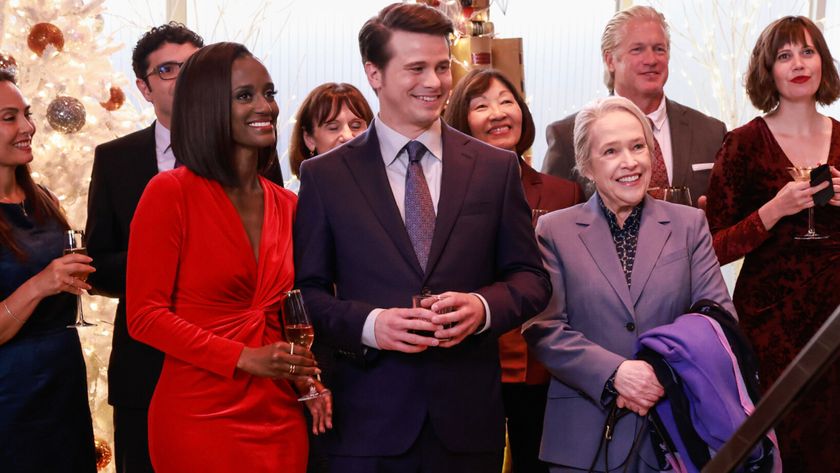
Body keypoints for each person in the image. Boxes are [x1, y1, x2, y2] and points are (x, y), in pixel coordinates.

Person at [293, 3, 551, 472]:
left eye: (440, 67)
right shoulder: (325, 177)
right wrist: (372, 325)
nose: (434, 82)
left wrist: (483, 308)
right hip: (366, 425)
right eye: (416, 68)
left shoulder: (493, 169)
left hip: (468, 424)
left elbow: (531, 279)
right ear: (374, 73)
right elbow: (305, 295)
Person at [85, 23, 284, 473]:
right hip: (170, 383)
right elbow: (109, 277)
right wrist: (174, 260)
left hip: (269, 396)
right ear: (146, 86)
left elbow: (283, 293)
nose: (264, 106)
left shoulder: (275, 187)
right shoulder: (141, 174)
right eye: (169, 69)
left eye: (268, 92)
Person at [125, 42, 329, 473]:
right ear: (207, 105)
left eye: (269, 93)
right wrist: (243, 357)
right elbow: (144, 316)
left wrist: (305, 379)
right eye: (245, 96)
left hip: (279, 416)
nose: (265, 107)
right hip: (198, 416)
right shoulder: (169, 194)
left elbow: (285, 316)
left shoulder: (286, 204)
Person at [523, 96, 735, 472]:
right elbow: (544, 327)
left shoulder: (689, 225)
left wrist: (658, 370)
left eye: (638, 146)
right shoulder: (554, 230)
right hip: (583, 439)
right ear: (587, 165)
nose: (630, 162)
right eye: (611, 151)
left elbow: (717, 318)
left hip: (675, 428)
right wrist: (615, 373)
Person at [705, 16, 840, 471]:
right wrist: (774, 210)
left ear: (823, 62)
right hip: (771, 327)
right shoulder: (742, 144)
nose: (798, 64)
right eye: (784, 56)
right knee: (778, 449)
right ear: (768, 70)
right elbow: (713, 247)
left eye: (807, 52)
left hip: (836, 320)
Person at [443, 67, 582, 473]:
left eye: (507, 101)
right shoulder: (446, 191)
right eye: (481, 105)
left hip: (542, 361)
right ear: (460, 121)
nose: (498, 112)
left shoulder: (563, 191)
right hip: (472, 357)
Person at [0, 70, 96, 472]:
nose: (28, 127)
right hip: (10, 398)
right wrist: (41, 285)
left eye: (27, 113)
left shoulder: (45, 199)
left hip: (63, 385)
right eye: (9, 117)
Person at [542, 5, 725, 206]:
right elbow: (551, 222)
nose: (651, 60)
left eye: (659, 49)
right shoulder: (567, 135)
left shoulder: (711, 132)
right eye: (638, 50)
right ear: (610, 60)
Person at [289, 82, 373, 179]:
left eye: (356, 126)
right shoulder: (308, 192)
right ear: (309, 139)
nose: (348, 136)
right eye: (333, 128)